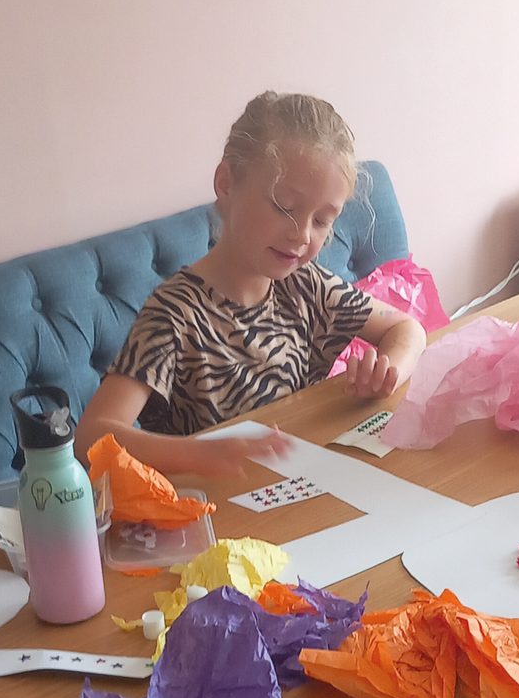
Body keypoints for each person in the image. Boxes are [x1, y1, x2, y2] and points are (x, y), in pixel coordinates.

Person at [75, 92, 427, 478]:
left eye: (323, 220)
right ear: (226, 183)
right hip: (215, 508)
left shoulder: (306, 285)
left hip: (295, 486)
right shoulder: (175, 313)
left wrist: (388, 371)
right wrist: (196, 454)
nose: (301, 235)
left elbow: (407, 328)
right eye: (284, 207)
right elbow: (91, 438)